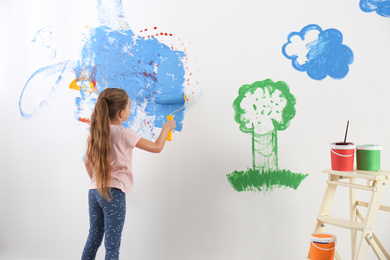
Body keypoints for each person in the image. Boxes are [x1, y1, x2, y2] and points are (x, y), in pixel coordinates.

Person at [81, 88, 176, 260]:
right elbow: (157, 147)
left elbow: (87, 162)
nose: (130, 111)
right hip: (113, 193)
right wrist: (166, 128)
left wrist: (97, 182)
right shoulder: (125, 134)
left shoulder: (96, 133)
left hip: (94, 191)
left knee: (93, 238)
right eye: (130, 107)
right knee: (112, 246)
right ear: (121, 113)